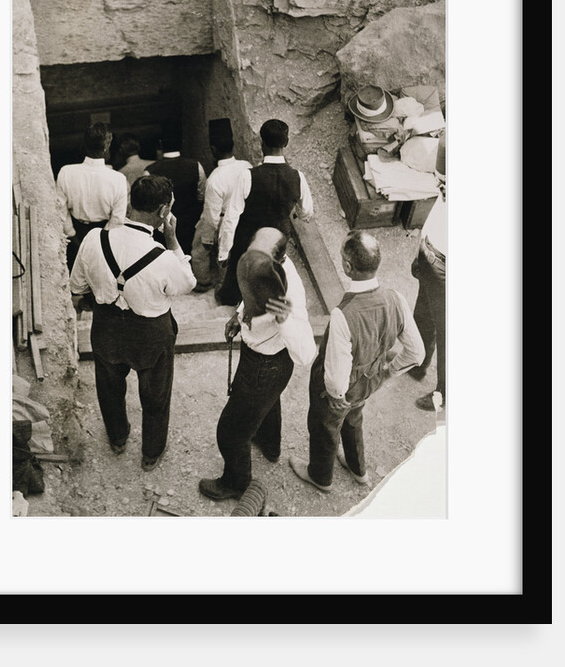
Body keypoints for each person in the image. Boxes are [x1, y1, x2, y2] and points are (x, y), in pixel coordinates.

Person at [69, 175, 197, 471]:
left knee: (109, 388)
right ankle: (151, 453)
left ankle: (117, 437)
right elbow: (188, 282)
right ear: (164, 212)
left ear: (131, 202)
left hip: (106, 327)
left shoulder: (93, 239)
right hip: (151, 333)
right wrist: (174, 242)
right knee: (156, 394)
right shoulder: (164, 258)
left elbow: (76, 288)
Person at [288, 230, 425, 492]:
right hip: (369, 380)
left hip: (343, 387)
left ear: (348, 266)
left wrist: (335, 393)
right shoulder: (396, 298)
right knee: (353, 419)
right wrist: (386, 372)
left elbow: (337, 373)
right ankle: (357, 468)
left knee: (325, 427)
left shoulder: (344, 314)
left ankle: (320, 476)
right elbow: (417, 352)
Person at [198, 227, 317, 501]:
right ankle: (269, 445)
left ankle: (236, 483)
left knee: (230, 433)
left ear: (279, 258)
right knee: (268, 401)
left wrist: (284, 320)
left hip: (267, 366)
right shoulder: (263, 269)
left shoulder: (290, 296)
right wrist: (239, 317)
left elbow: (306, 353)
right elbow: (252, 288)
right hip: (262, 362)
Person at [215, 118, 314, 307]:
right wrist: (297, 213)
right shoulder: (297, 177)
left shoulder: (248, 176)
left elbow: (231, 217)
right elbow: (307, 212)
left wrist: (224, 252)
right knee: (270, 271)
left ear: (262, 143)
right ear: (285, 143)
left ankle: (230, 301)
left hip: (248, 239)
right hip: (278, 241)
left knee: (239, 272)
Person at [189, 119, 252, 293]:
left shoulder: (215, 179)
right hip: (245, 219)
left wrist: (208, 240)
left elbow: (211, 216)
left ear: (213, 150)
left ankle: (204, 282)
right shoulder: (246, 166)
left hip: (225, 222)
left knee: (198, 250)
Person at [56, 122, 128, 272]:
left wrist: (73, 237)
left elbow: (60, 209)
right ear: (107, 146)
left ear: (85, 144)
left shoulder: (66, 172)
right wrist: (101, 242)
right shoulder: (118, 178)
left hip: (76, 234)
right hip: (105, 237)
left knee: (77, 282)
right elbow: (117, 219)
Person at [408, 132, 446, 412]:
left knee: (448, 336)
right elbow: (437, 213)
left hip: (447, 271)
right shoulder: (445, 191)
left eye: (443, 183)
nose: (438, 186)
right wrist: (421, 252)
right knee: (422, 315)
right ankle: (418, 363)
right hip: (430, 261)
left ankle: (444, 394)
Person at [144, 122, 206, 255]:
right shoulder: (196, 166)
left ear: (160, 144)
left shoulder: (150, 171)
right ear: (182, 142)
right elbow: (201, 196)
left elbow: (147, 205)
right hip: (190, 226)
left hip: (162, 230)